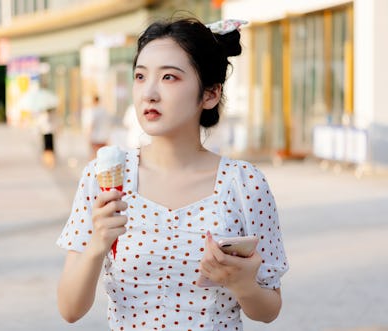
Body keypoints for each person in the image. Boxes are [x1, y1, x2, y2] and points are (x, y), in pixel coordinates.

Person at [56, 16, 288, 330]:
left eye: (169, 77)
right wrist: (98, 244)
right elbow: (70, 310)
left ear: (210, 94)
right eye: (140, 76)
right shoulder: (102, 178)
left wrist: (243, 285)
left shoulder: (245, 183)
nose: (149, 93)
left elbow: (269, 309)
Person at [81, 95, 111, 159]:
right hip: (104, 137)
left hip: (95, 137)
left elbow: (90, 125)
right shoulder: (104, 111)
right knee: (103, 157)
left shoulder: (91, 111)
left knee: (94, 156)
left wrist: (87, 136)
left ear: (93, 101)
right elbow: (108, 124)